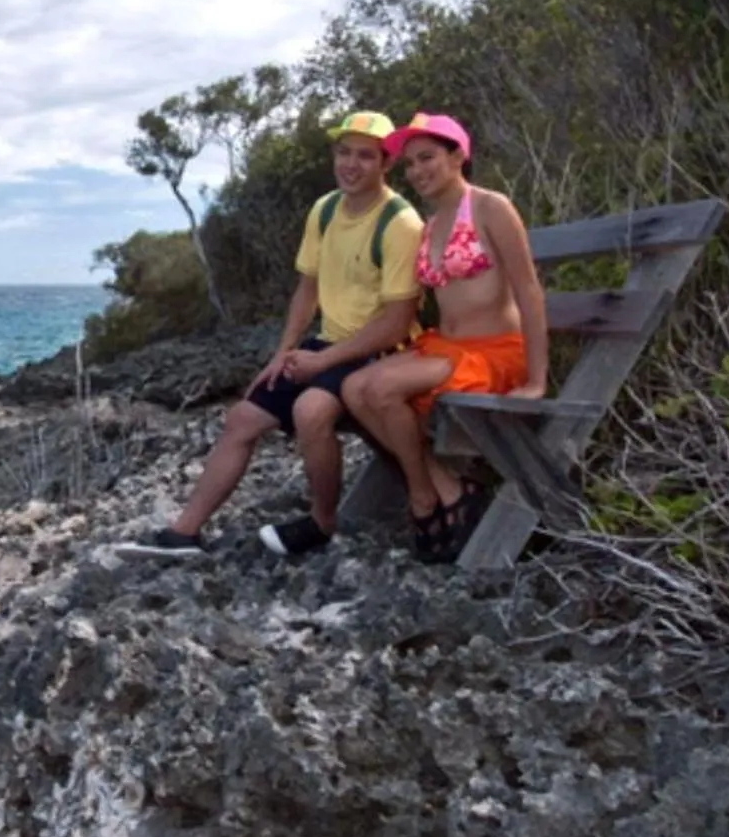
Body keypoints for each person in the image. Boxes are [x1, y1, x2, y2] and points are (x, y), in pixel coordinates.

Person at [128, 111, 424, 557]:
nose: (351, 164)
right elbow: (308, 290)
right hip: (326, 344)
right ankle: (183, 533)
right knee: (242, 418)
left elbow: (398, 321)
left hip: (379, 351)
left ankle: (322, 522)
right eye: (343, 152)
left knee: (311, 410)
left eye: (365, 156)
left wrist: (323, 362)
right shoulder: (325, 211)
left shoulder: (400, 223)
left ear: (386, 163)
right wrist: (283, 353)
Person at [340, 113, 547, 563]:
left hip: (493, 352)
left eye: (428, 158)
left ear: (458, 156)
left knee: (381, 387)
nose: (417, 171)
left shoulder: (491, 208)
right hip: (446, 347)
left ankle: (425, 497)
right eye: (410, 163)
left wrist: (537, 378)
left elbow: (529, 290)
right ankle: (443, 487)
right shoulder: (431, 224)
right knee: (354, 388)